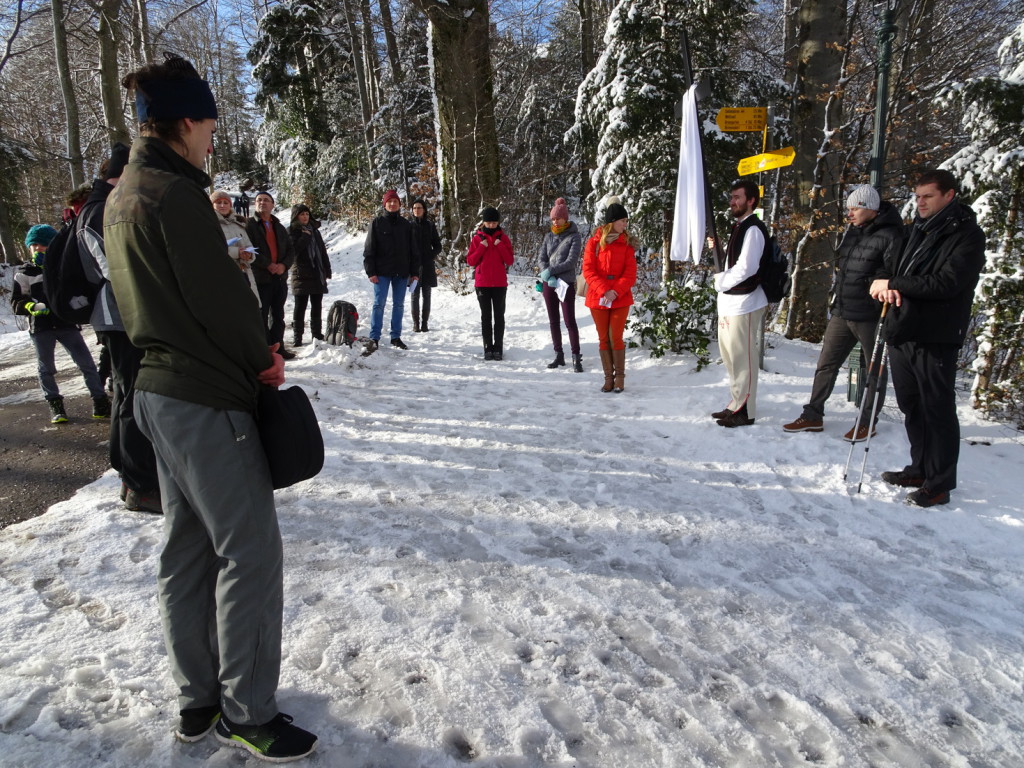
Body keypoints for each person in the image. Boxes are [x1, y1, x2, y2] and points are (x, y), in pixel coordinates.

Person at [103, 54, 317, 761]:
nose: (214, 137)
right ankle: (248, 711)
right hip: (204, 397)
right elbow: (219, 299)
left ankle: (199, 698)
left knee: (187, 550)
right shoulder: (174, 195)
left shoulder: (125, 192)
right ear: (187, 121)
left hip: (157, 393)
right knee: (249, 551)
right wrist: (263, 355)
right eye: (211, 123)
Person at [869, 169, 985, 508]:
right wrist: (883, 283)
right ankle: (919, 468)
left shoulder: (967, 235)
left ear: (949, 195)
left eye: (927, 196)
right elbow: (886, 267)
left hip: (936, 333)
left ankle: (940, 483)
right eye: (917, 196)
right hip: (903, 328)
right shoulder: (913, 230)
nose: (919, 202)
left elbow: (947, 283)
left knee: (937, 408)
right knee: (911, 405)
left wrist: (896, 285)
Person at [77, 143, 162, 513]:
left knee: (127, 394)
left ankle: (129, 474)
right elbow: (116, 267)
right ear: (122, 173)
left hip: (120, 315)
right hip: (120, 316)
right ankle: (140, 485)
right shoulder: (100, 211)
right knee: (133, 396)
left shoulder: (100, 206)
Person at [783, 184, 904, 440]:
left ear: (870, 208)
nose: (849, 214)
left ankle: (867, 420)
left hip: (871, 315)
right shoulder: (853, 231)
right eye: (848, 208)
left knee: (875, 371)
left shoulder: (893, 234)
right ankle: (812, 415)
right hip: (842, 310)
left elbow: (892, 272)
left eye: (854, 208)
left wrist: (877, 283)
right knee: (826, 364)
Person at [11, 224, 110, 424]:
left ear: (53, 246)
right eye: (34, 245)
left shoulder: (62, 268)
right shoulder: (24, 273)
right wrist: (30, 306)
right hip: (41, 328)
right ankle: (56, 405)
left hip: (66, 324)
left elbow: (75, 290)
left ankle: (99, 401)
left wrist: (78, 306)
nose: (38, 248)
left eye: (43, 245)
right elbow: (16, 302)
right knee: (46, 368)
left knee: (86, 364)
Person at [712, 180, 770, 427]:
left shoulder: (754, 229)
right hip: (730, 303)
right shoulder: (740, 226)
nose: (733, 201)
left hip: (745, 303)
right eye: (731, 197)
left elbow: (748, 267)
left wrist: (721, 281)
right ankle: (735, 404)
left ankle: (746, 411)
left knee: (743, 358)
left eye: (738, 197)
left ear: (751, 201)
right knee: (731, 358)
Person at [582, 197, 636, 391]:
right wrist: (605, 290)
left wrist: (615, 291)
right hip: (599, 296)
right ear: (612, 222)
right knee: (604, 338)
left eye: (626, 221)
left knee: (617, 337)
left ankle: (620, 377)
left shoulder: (627, 244)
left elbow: (630, 273)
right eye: (622, 221)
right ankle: (608, 378)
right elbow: (588, 270)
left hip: (620, 298)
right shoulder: (594, 243)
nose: (625, 224)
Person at [362, 189, 419, 355]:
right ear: (384, 204)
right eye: (390, 202)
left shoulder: (406, 225)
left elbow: (413, 251)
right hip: (381, 272)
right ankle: (375, 337)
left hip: (401, 272)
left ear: (399, 205)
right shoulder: (377, 223)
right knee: (379, 304)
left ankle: (396, 337)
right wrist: (370, 271)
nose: (392, 204)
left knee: (399, 305)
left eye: (395, 202)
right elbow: (369, 249)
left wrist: (414, 272)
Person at [247, 191, 296, 359]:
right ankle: (264, 350)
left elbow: (290, 250)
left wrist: (283, 265)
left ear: (273, 205)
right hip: (260, 278)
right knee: (261, 314)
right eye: (259, 200)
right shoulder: (249, 226)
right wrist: (267, 264)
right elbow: (248, 249)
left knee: (278, 315)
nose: (262, 203)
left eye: (266, 200)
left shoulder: (279, 227)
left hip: (279, 278)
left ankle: (278, 347)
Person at [538, 197, 583, 372]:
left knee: (569, 320)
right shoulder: (548, 236)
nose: (555, 221)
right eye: (553, 219)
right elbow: (542, 257)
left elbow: (571, 262)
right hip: (549, 282)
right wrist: (545, 272)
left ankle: (576, 356)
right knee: (553, 321)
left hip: (565, 282)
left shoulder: (574, 237)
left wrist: (552, 271)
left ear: (565, 218)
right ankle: (558, 354)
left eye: (558, 218)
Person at [466, 206, 514, 360]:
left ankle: (498, 347)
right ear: (484, 222)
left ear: (498, 222)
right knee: (486, 317)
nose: (491, 225)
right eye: (488, 222)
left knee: (499, 316)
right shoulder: (477, 238)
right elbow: (471, 261)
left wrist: (499, 245)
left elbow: (510, 260)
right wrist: (481, 247)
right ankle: (488, 347)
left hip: (500, 284)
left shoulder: (503, 238)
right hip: (482, 284)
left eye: (494, 222)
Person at [288, 204, 331, 346]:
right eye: (302, 214)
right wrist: (304, 238)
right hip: (300, 273)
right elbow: (293, 252)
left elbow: (322, 251)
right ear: (296, 216)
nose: (305, 217)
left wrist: (327, 268)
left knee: (317, 304)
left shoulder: (315, 231)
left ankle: (316, 335)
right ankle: (297, 336)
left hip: (317, 272)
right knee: (300, 305)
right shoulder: (292, 231)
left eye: (307, 214)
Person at [211, 189, 260, 305]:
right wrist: (237, 252)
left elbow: (249, 246)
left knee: (249, 309)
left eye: (225, 202)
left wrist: (249, 255)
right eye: (218, 202)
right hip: (224, 274)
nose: (222, 205)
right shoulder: (209, 224)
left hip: (245, 273)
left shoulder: (238, 224)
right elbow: (212, 249)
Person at [409, 198, 442, 332]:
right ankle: (416, 324)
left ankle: (425, 323)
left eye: (419, 208)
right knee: (414, 294)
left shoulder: (430, 225)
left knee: (426, 294)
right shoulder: (408, 225)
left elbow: (438, 245)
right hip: (413, 266)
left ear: (424, 210)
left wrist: (431, 255)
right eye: (415, 208)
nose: (417, 210)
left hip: (427, 265)